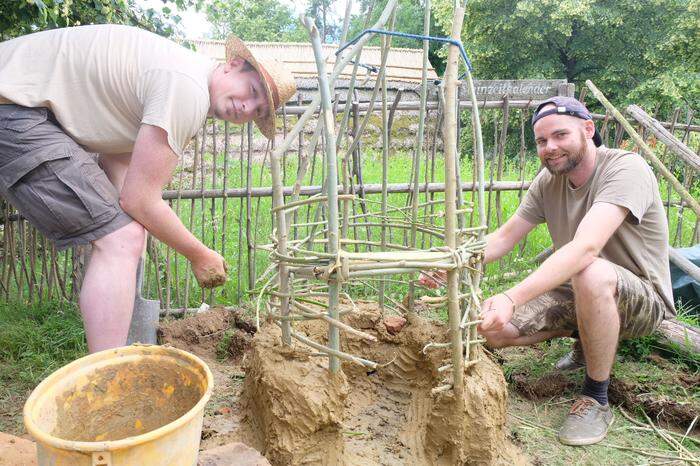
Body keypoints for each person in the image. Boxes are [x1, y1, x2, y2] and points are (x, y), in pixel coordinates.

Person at [0, 25, 296, 353]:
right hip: (14, 109)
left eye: (259, 110)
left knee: (128, 236)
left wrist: (133, 230)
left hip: (20, 104)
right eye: (252, 91)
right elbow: (139, 199)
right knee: (121, 239)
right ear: (234, 66)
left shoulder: (179, 76)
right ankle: (108, 378)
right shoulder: (187, 89)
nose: (247, 107)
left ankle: (110, 361)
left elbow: (119, 168)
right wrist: (199, 255)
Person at [421, 96, 674, 446]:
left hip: (641, 298)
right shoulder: (548, 181)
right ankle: (586, 341)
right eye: (542, 141)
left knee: (590, 272)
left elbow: (587, 247)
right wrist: (455, 260)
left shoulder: (626, 168)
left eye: (560, 135)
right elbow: (505, 237)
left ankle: (595, 397)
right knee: (493, 328)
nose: (550, 147)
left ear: (588, 129)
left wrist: (512, 295)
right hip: (579, 289)